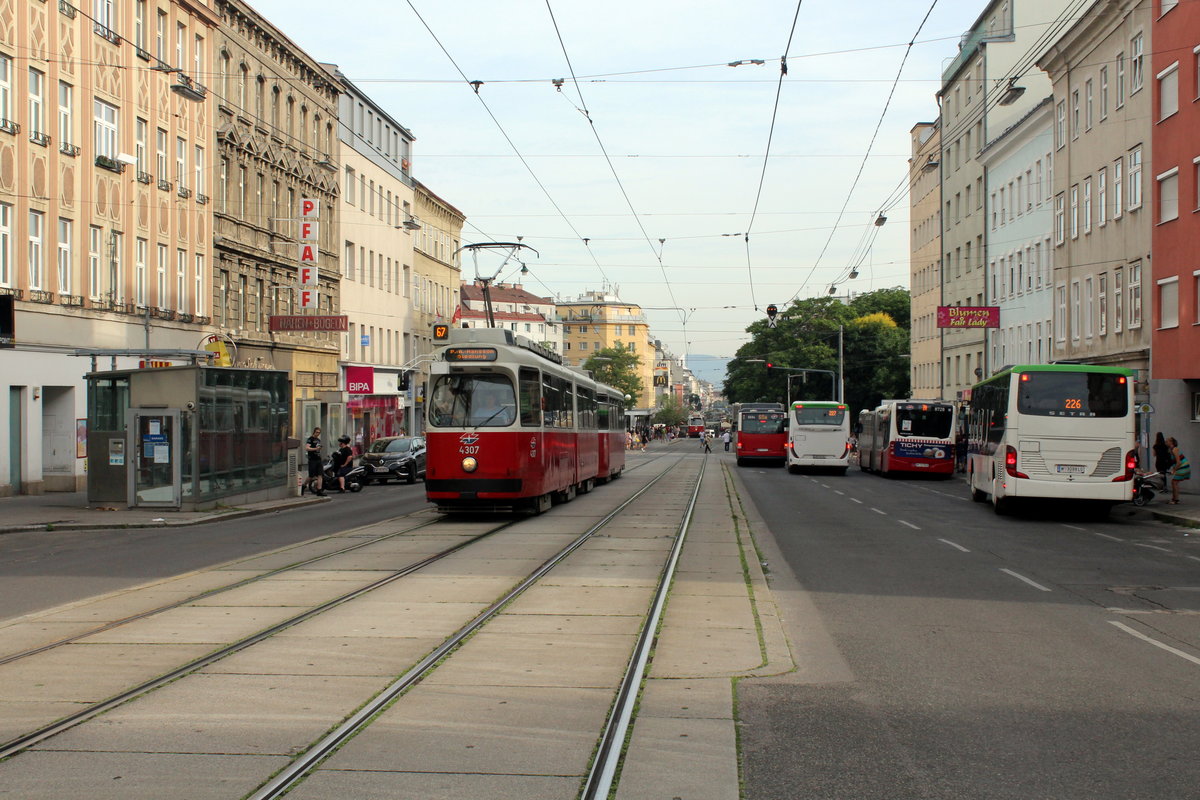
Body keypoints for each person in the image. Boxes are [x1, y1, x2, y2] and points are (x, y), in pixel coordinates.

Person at [1168, 436, 1190, 504]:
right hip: (1181, 466)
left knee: (1174, 482)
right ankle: (1174, 498)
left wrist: (1174, 470)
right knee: (1174, 482)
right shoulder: (1171, 450)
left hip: (1183, 466)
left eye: (1167, 441)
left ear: (1171, 442)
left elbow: (1178, 462)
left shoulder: (1175, 449)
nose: (1166, 442)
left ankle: (1175, 500)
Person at [303, 426, 325, 496]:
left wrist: (319, 449)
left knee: (320, 475)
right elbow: (307, 448)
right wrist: (315, 449)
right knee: (311, 476)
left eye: (319, 433)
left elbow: (318, 448)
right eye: (316, 432)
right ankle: (303, 486)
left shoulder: (318, 440)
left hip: (318, 459)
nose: (317, 434)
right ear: (314, 432)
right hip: (312, 459)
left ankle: (319, 490)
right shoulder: (310, 439)